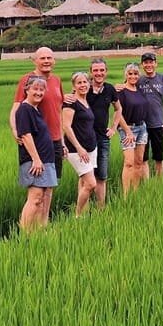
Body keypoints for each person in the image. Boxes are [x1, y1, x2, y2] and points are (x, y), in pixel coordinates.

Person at [9, 47, 65, 226]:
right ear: (35, 60)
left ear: (54, 60)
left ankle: (43, 227)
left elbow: (59, 111)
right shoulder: (27, 81)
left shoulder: (56, 81)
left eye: (50, 57)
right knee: (36, 194)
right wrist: (16, 131)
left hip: (54, 142)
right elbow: (16, 108)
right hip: (37, 143)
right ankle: (26, 232)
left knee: (48, 189)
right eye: (43, 58)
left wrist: (62, 141)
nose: (47, 61)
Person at [15, 75, 58, 232]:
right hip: (35, 161)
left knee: (43, 197)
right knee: (35, 197)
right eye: (35, 89)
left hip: (45, 159)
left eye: (42, 90)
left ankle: (38, 232)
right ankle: (25, 233)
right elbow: (25, 135)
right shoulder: (24, 109)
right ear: (27, 90)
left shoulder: (35, 109)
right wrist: (36, 159)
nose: (39, 92)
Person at [87, 57, 131, 208]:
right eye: (95, 71)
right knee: (85, 177)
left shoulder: (110, 89)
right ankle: (83, 211)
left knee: (102, 176)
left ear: (106, 72)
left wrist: (113, 127)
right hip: (85, 140)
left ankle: (101, 209)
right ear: (90, 72)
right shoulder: (83, 88)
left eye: (101, 70)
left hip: (103, 138)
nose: (99, 73)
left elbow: (118, 109)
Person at [62, 72, 98, 217]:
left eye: (85, 82)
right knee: (91, 184)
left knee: (84, 182)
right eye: (79, 83)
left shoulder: (86, 101)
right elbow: (66, 126)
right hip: (77, 150)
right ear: (74, 86)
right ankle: (78, 215)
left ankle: (84, 214)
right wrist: (78, 147)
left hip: (91, 147)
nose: (83, 85)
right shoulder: (70, 102)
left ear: (89, 84)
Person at [137, 52, 163, 178]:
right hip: (141, 125)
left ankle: (159, 182)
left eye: (151, 62)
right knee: (143, 158)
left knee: (159, 156)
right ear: (142, 65)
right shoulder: (138, 80)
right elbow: (125, 88)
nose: (149, 65)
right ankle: (147, 183)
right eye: (146, 62)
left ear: (156, 64)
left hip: (158, 123)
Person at [115, 63, 148, 198]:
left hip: (142, 128)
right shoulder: (120, 92)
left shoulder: (140, 90)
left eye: (135, 74)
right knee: (129, 163)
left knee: (139, 162)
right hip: (127, 129)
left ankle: (136, 192)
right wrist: (127, 130)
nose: (133, 76)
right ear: (125, 75)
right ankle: (126, 196)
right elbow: (118, 113)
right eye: (130, 74)